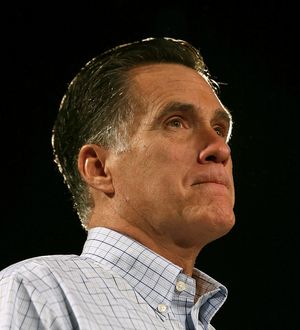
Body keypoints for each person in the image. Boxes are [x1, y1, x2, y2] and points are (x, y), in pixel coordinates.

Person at [0, 37, 235, 329]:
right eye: (176, 122)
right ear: (99, 168)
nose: (220, 149)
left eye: (219, 129)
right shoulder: (39, 291)